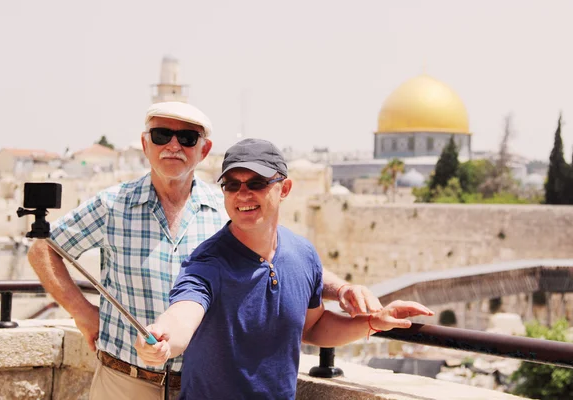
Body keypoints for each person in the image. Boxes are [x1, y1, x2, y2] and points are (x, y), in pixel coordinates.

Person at [27, 102, 383, 400]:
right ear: (145, 143)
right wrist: (82, 311)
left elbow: (283, 259)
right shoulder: (112, 205)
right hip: (127, 380)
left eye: (187, 137)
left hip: (204, 386)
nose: (173, 146)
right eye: (161, 135)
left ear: (204, 149)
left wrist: (342, 290)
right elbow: (43, 249)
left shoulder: (229, 208)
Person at [135, 138, 434, 399]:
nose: (243, 194)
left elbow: (313, 327)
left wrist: (374, 322)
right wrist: (163, 338)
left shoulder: (302, 254)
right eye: (232, 185)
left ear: (285, 188)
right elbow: (183, 313)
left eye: (256, 184)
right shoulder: (207, 262)